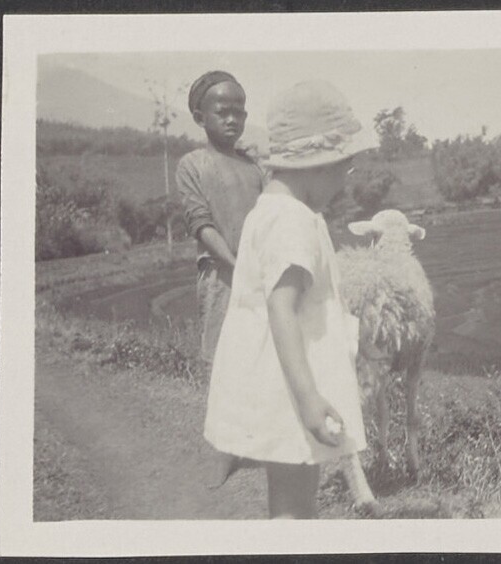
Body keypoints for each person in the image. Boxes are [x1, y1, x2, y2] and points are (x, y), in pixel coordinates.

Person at [203, 80, 368, 519]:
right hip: (292, 389)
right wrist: (309, 398)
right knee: (295, 504)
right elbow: (282, 307)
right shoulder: (292, 221)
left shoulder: (270, 210)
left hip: (278, 380)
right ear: (318, 165)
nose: (345, 182)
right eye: (344, 168)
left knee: (293, 497)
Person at [176, 70, 265, 488]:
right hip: (221, 277)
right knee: (220, 361)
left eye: (239, 111)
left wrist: (260, 267)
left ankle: (257, 442)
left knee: (261, 356)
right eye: (222, 111)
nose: (232, 119)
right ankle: (223, 453)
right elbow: (200, 223)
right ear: (200, 117)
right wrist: (236, 264)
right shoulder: (192, 164)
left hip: (259, 275)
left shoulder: (254, 166)